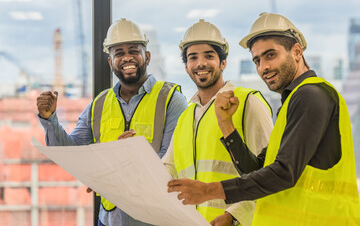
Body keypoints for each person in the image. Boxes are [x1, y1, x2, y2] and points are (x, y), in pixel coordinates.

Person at [167, 12, 360, 225]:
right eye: (257, 60)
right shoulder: (292, 103)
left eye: (270, 55)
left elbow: (284, 173)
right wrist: (226, 124)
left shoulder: (311, 95)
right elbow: (258, 172)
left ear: (296, 52)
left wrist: (211, 190)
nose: (263, 68)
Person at [37, 18, 188, 226]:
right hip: (108, 220)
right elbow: (71, 154)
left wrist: (116, 164)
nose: (127, 58)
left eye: (134, 50)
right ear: (110, 62)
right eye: (118, 53)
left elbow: (171, 165)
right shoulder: (99, 104)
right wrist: (49, 120)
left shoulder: (171, 99)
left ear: (148, 56)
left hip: (154, 220)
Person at [162, 19, 273, 226]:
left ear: (223, 63)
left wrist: (234, 216)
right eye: (192, 57)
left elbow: (269, 176)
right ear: (186, 67)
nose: (200, 63)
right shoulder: (186, 117)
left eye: (209, 56)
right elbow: (166, 173)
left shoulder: (247, 102)